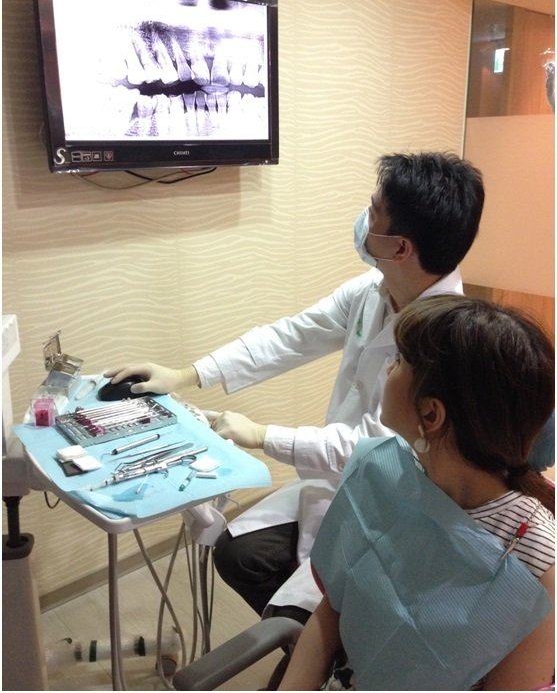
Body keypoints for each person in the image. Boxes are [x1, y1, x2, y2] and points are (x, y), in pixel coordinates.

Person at [105, 151, 485, 622]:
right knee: (237, 555)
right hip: (338, 483)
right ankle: (310, 639)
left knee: (304, 615)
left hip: (394, 511)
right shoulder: (374, 288)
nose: (363, 220)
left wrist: (261, 435)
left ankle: (324, 646)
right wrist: (187, 374)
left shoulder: (448, 344)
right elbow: (290, 337)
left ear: (400, 247)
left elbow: (374, 448)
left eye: (373, 211)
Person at [279, 295, 555, 691]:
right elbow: (331, 613)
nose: (387, 368)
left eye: (398, 360)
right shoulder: (382, 473)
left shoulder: (534, 561)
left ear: (431, 414)